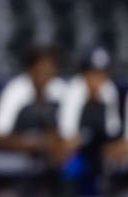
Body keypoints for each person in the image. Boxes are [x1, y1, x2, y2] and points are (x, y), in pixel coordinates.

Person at [58, 46, 121, 194]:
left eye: (102, 73)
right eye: (92, 73)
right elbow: (68, 135)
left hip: (99, 150)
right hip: (77, 152)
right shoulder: (74, 90)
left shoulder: (109, 90)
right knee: (69, 164)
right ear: (84, 73)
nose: (97, 79)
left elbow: (113, 129)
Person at [0, 45, 69, 162]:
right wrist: (36, 143)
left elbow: (71, 134)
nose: (44, 77)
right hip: (16, 157)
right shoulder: (14, 91)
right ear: (29, 70)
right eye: (40, 71)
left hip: (53, 159)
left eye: (49, 71)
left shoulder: (61, 89)